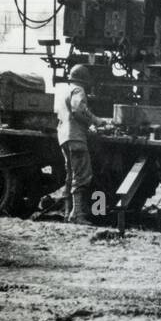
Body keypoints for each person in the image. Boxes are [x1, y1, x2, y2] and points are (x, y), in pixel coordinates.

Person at [57, 63, 109, 223]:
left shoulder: (65, 89)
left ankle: (67, 212)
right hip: (76, 138)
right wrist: (96, 121)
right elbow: (79, 110)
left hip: (64, 137)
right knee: (82, 175)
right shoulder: (78, 90)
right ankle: (77, 215)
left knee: (70, 175)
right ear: (85, 80)